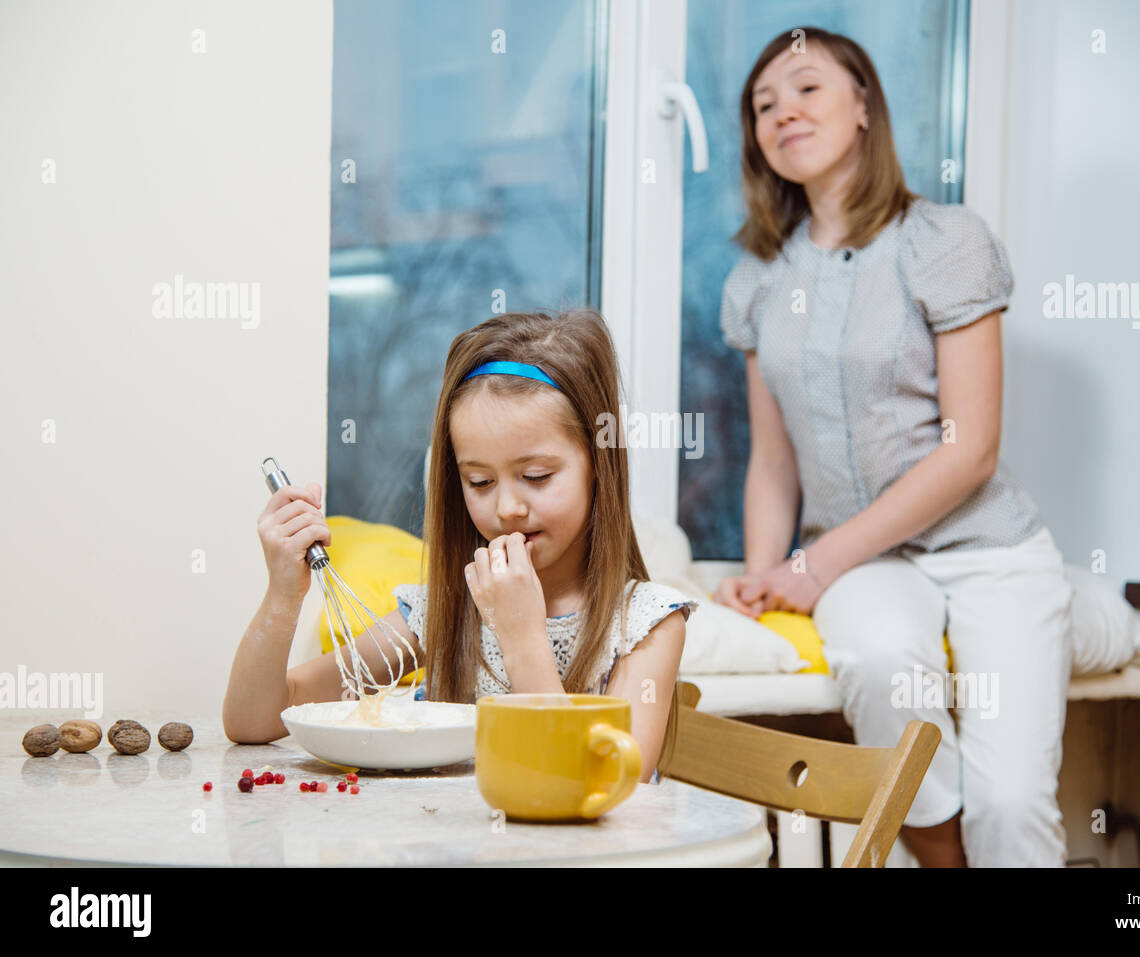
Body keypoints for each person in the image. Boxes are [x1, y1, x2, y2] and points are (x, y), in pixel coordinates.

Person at [711, 26, 1074, 866]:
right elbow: (773, 461)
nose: (782, 113)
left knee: (1012, 806)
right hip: (869, 568)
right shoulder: (758, 279)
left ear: (865, 106)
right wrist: (768, 573)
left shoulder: (942, 241)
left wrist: (815, 562)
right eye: (763, 106)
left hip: (989, 552)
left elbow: (971, 449)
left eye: (805, 89)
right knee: (878, 663)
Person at [224, 309, 697, 783]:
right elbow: (256, 720)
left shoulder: (646, 625)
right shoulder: (443, 613)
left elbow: (604, 786)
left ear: (599, 466)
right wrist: (283, 596)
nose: (508, 506)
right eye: (480, 481)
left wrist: (522, 639)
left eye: (536, 476)